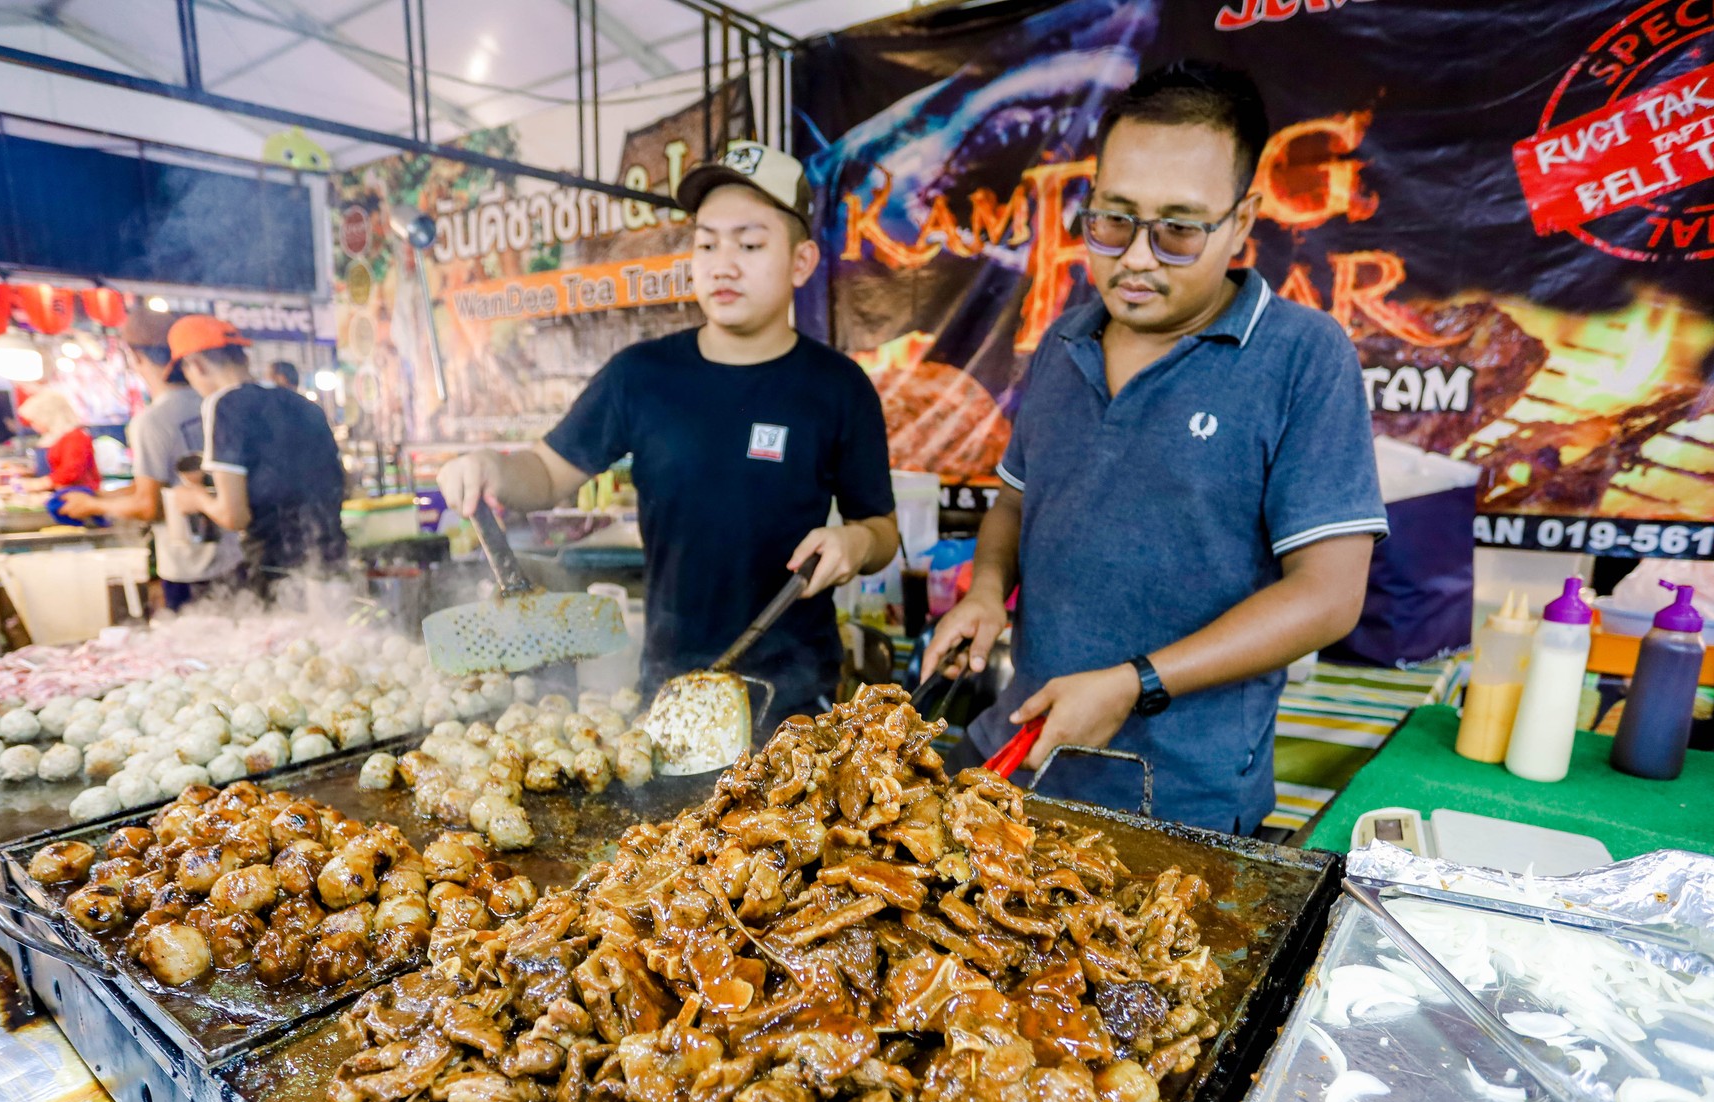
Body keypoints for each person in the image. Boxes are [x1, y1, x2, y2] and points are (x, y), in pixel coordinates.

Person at [923, 61, 1387, 834]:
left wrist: (1133, 683)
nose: (1136, 258)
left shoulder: (1303, 356)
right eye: (1113, 219)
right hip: (1021, 755)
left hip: (1176, 801)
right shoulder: (1062, 342)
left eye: (1177, 229)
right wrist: (985, 592)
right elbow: (1016, 501)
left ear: (1242, 221)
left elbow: (1328, 596)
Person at [435, 141, 898, 721]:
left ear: (801, 262)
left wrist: (856, 544)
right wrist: (492, 468)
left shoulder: (838, 387)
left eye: (750, 245)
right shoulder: (641, 376)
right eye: (707, 244)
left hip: (795, 700)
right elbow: (548, 473)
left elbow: (881, 530)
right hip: (670, 690)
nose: (723, 265)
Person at [58, 307, 243, 609]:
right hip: (236, 556)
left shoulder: (152, 420)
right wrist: (100, 495)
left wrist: (92, 506)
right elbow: (159, 484)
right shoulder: (215, 402)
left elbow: (149, 505)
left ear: (136, 357)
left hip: (190, 567)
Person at [164, 314, 347, 590]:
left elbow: (234, 515)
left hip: (276, 572)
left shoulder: (223, 404)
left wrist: (197, 498)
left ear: (197, 365)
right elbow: (341, 483)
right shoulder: (302, 404)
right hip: (334, 562)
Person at [16, 389, 99, 490]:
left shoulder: (76, 437)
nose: (33, 426)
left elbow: (70, 472)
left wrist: (40, 483)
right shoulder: (51, 437)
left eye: (34, 421)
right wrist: (29, 473)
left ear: (48, 416)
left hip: (75, 495)